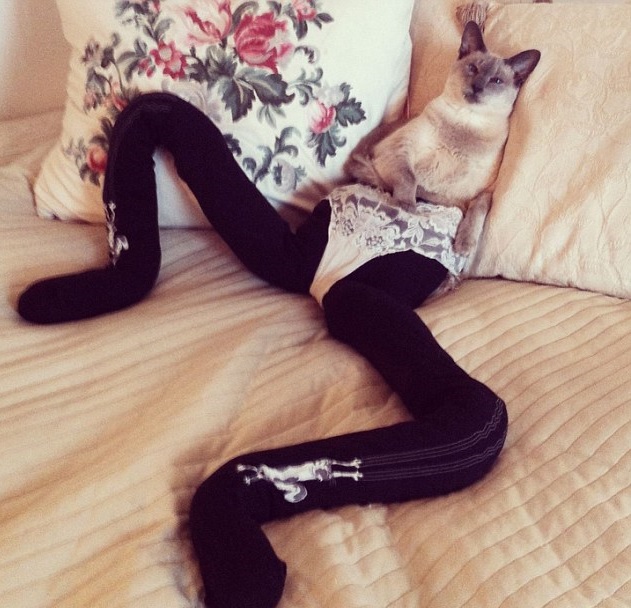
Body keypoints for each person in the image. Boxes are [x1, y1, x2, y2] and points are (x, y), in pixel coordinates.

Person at [18, 93, 507, 608]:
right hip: (311, 248)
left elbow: (476, 432)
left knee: (472, 423)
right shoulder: (416, 128)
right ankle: (130, 270)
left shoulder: (477, 156)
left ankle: (242, 490)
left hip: (378, 276)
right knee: (155, 112)